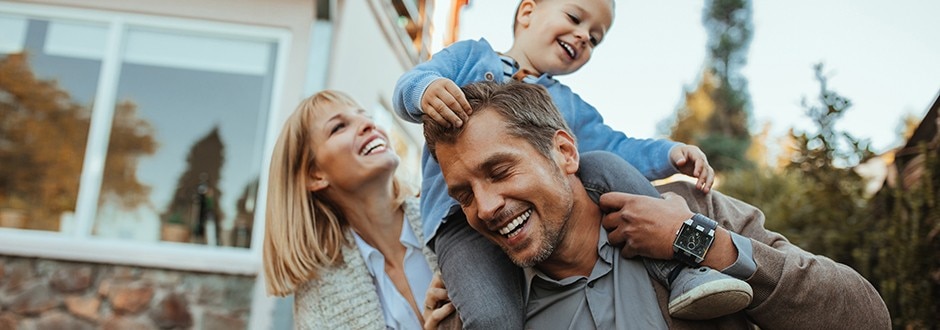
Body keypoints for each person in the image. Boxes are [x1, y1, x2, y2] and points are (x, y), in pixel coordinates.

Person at [423, 81, 891, 329]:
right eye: (463, 195)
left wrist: (701, 243)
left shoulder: (688, 209)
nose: (484, 207)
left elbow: (865, 319)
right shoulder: (485, 307)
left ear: (565, 152)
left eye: (500, 172)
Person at [393, 0, 743, 326]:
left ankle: (679, 271)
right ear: (527, 13)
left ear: (565, 148)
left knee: (603, 164)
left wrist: (667, 154)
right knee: (489, 316)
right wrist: (426, 90)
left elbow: (616, 145)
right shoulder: (469, 57)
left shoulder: (568, 106)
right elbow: (409, 82)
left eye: (594, 39)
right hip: (458, 224)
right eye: (575, 18)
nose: (582, 37)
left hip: (534, 217)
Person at [261, 90, 456, 329]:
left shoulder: (449, 216)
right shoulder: (318, 302)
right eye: (339, 127)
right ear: (315, 175)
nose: (368, 124)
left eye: (364, 115)